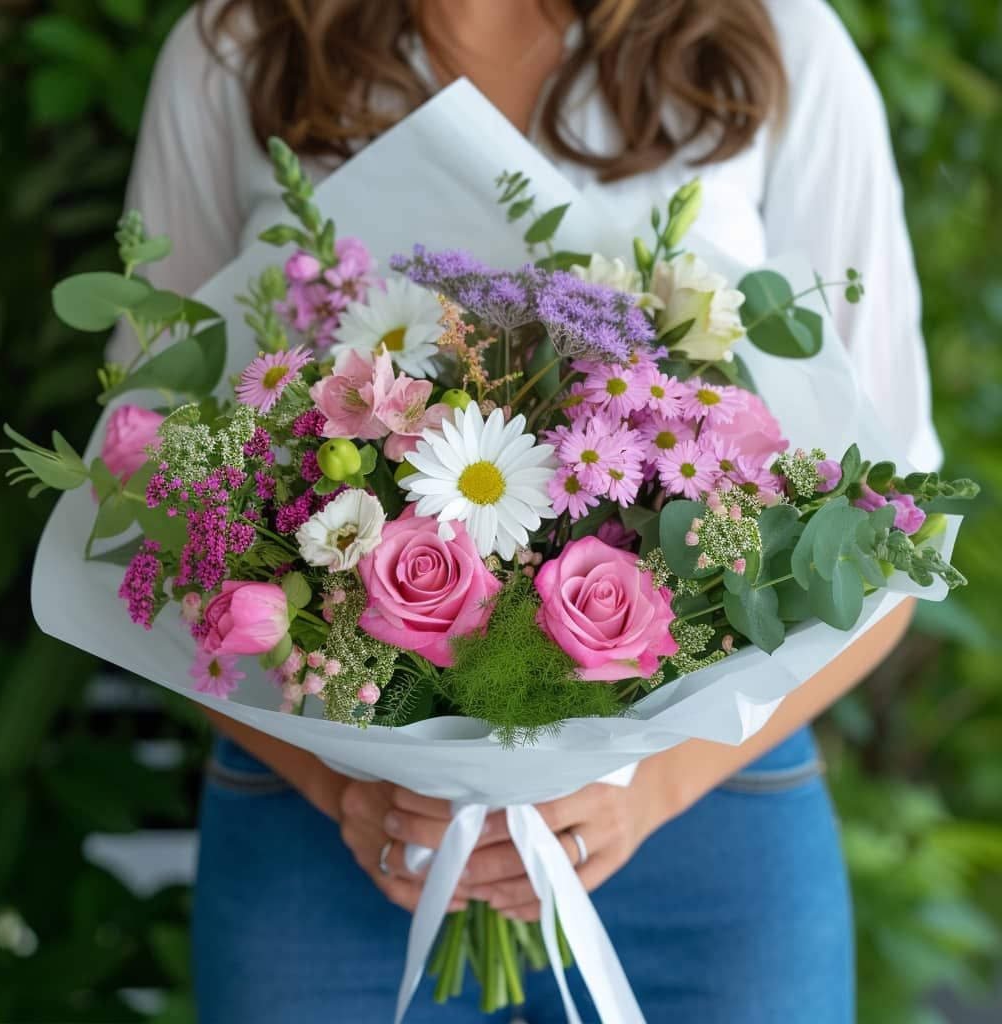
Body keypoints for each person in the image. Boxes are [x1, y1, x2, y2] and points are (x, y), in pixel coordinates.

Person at [121, 1, 942, 1020]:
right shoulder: (239, 43)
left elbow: (891, 524)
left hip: (703, 822)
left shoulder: (772, 33)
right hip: (328, 821)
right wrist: (347, 793)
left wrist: (655, 786)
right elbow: (156, 500)